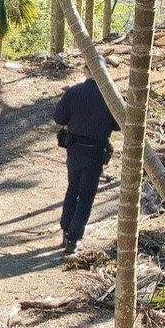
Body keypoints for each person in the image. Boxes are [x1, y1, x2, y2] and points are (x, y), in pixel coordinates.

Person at [53, 65, 119, 255]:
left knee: (73, 188)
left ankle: (66, 231)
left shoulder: (74, 91)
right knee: (86, 196)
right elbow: (118, 124)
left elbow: (58, 117)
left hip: (74, 149)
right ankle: (73, 239)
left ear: (85, 70)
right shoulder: (110, 96)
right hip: (95, 151)